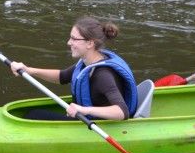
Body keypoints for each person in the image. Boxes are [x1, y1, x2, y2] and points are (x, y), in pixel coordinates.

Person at [9, 17, 138, 120]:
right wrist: (29, 70)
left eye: (74, 39)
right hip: (86, 119)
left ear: (90, 43)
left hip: (98, 127)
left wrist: (83, 110)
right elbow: (62, 76)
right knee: (34, 114)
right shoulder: (86, 63)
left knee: (34, 115)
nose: (69, 42)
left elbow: (122, 112)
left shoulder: (103, 75)